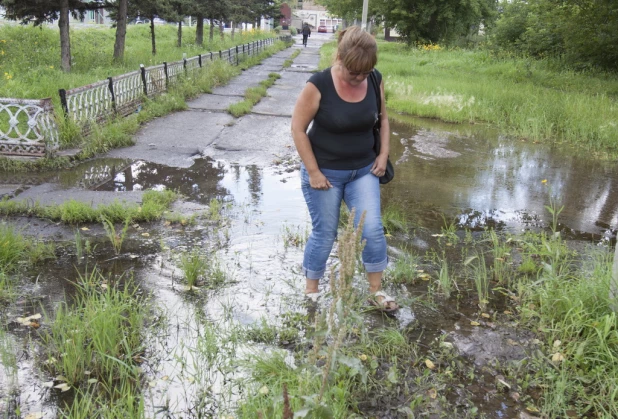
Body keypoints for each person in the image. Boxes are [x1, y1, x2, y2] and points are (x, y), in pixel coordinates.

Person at [290, 26, 397, 313]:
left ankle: (376, 291)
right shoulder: (318, 85)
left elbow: (384, 120)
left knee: (372, 229)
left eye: (365, 72)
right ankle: (311, 292)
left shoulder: (374, 79)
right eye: (354, 73)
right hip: (324, 174)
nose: (360, 78)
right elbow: (298, 129)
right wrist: (313, 172)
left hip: (363, 171)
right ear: (340, 58)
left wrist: (383, 155)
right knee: (325, 233)